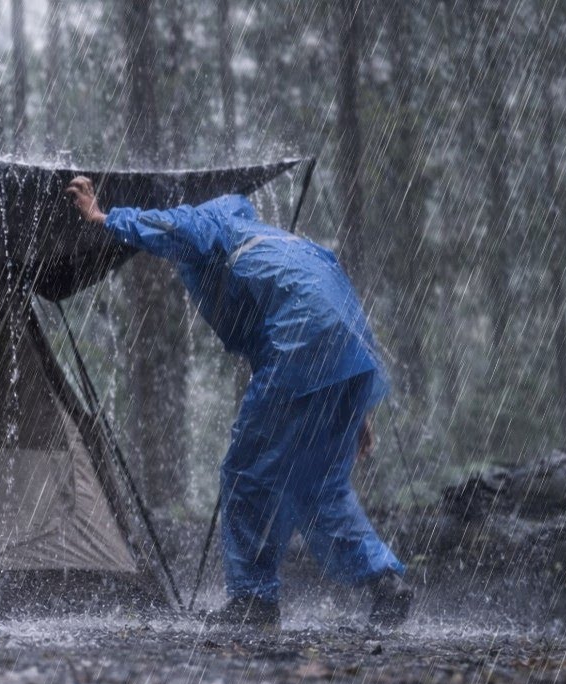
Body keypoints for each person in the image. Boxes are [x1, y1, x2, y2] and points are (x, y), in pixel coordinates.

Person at [65, 176, 413, 629]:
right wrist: (354, 403)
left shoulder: (215, 225)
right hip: (346, 356)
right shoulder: (281, 244)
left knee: (247, 474)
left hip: (300, 346)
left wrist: (105, 216)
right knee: (318, 487)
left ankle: (253, 601)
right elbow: (337, 308)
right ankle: (384, 582)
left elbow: (171, 227)